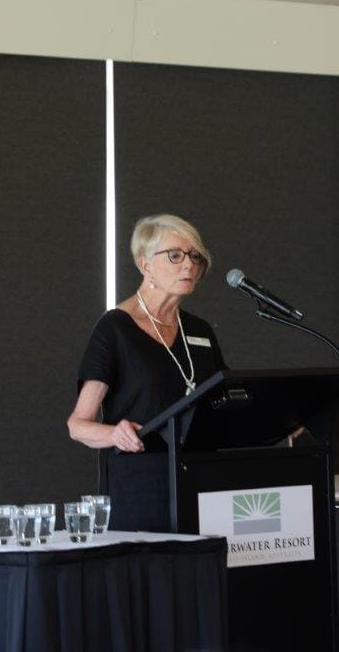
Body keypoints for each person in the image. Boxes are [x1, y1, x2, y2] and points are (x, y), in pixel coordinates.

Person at [67, 214, 226, 532]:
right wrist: (114, 434)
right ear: (145, 264)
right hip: (141, 488)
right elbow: (77, 425)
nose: (188, 265)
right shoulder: (115, 328)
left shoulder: (200, 330)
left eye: (195, 256)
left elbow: (224, 400)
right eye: (175, 255)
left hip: (199, 480)